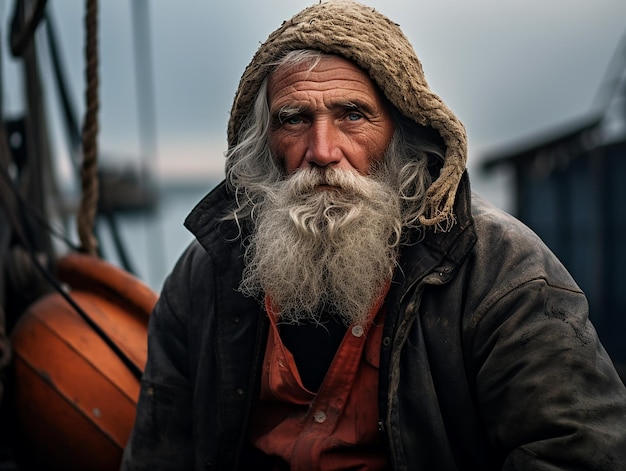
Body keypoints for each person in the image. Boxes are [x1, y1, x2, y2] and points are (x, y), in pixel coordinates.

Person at [121, 1, 626, 470]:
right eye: (294, 119)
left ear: (402, 132)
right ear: (264, 144)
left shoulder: (501, 269)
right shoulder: (206, 273)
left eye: (353, 115)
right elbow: (160, 452)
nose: (322, 150)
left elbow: (579, 449)